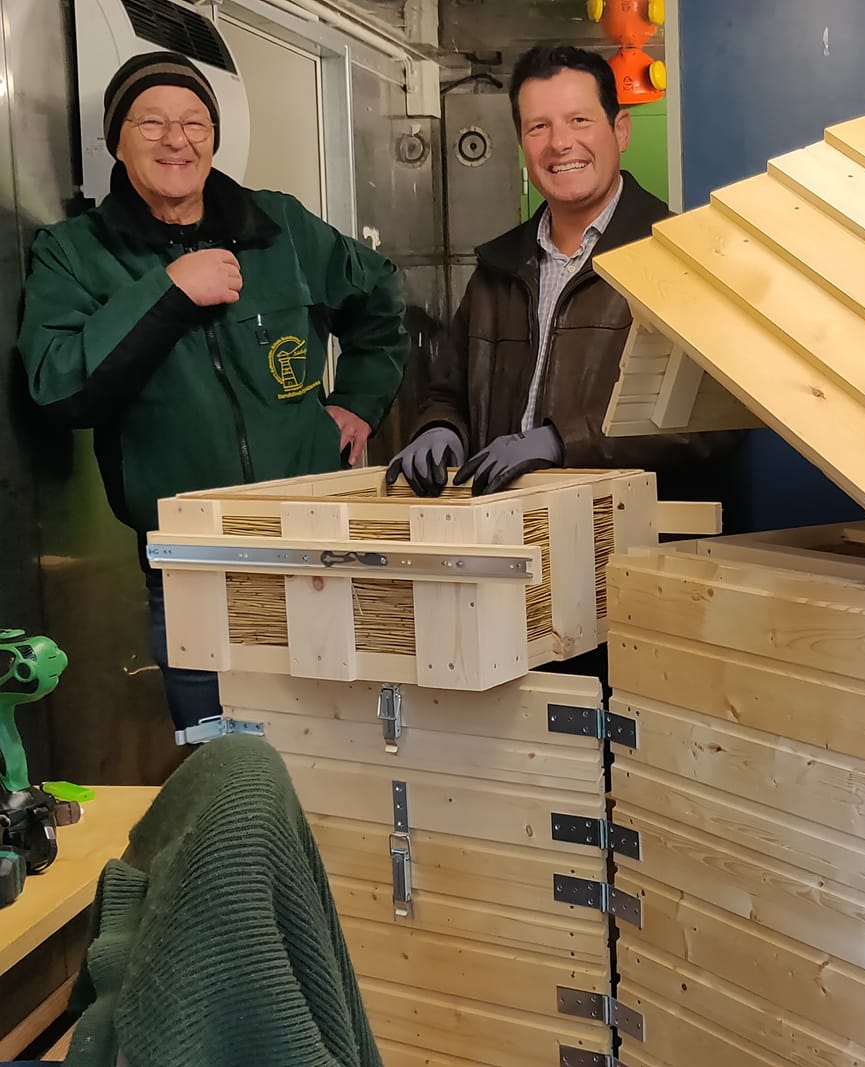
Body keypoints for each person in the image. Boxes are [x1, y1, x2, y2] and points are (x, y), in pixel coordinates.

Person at [18, 52, 408, 738]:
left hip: (315, 546)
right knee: (222, 762)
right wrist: (170, 291)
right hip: (192, 567)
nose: (177, 140)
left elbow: (380, 298)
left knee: (339, 749)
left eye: (195, 122)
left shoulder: (278, 226)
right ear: (117, 140)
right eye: (152, 123)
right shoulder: (75, 252)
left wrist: (359, 402)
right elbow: (59, 387)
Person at [387, 44, 736, 499]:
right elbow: (448, 392)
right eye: (539, 127)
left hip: (632, 532)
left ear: (621, 130)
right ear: (522, 143)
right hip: (510, 525)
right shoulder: (497, 270)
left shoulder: (680, 258)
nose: (559, 143)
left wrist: (563, 442)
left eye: (579, 120)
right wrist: (440, 428)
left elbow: (715, 423)